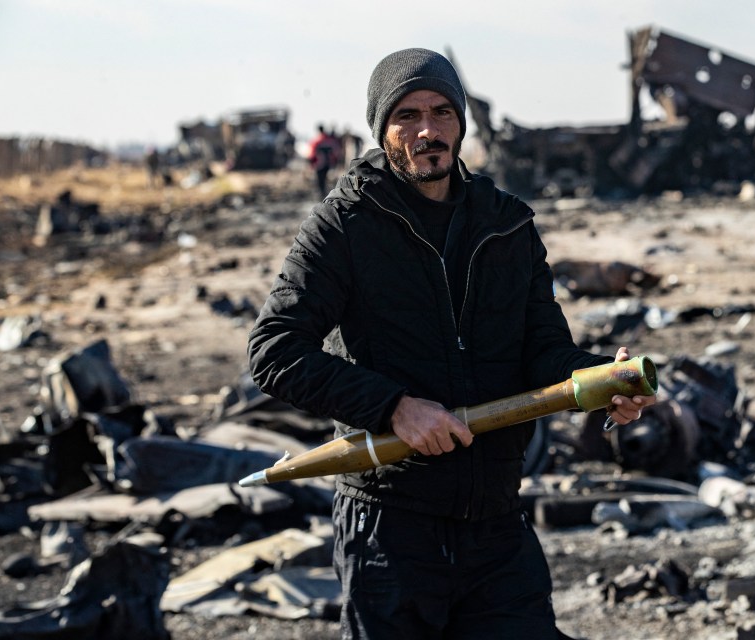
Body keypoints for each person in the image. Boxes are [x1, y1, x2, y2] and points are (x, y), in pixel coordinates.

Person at [247, 48, 656, 639]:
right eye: (407, 116)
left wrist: (601, 379)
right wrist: (393, 408)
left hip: (496, 523)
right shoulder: (344, 226)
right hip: (391, 527)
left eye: (442, 112)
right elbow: (274, 350)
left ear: (462, 121)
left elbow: (544, 350)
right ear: (381, 128)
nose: (427, 131)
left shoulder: (507, 223)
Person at [306, 124, 342, 196]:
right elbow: (336, 152)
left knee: (320, 180)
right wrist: (335, 162)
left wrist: (311, 163)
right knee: (327, 180)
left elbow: (312, 154)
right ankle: (327, 194)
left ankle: (322, 193)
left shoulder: (316, 141)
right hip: (329, 164)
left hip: (319, 164)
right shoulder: (330, 141)